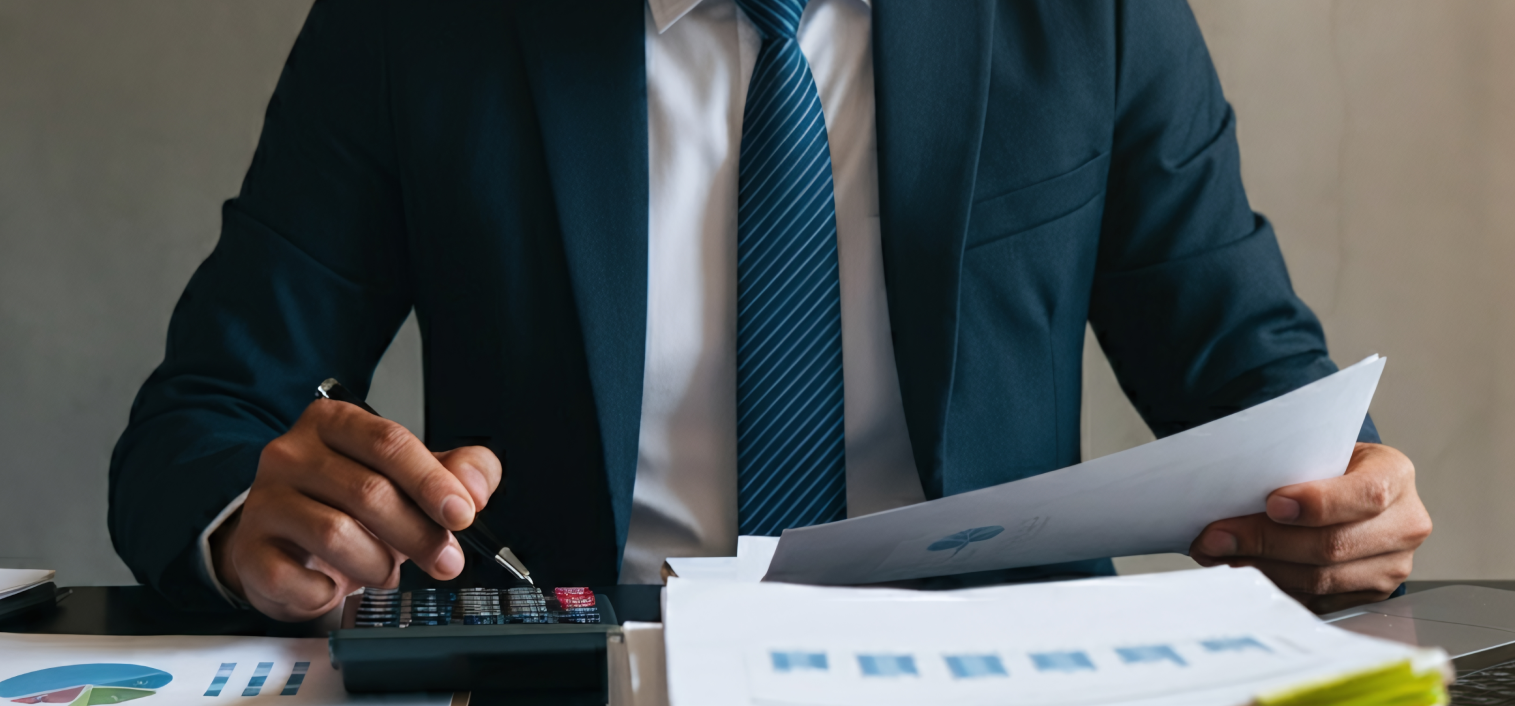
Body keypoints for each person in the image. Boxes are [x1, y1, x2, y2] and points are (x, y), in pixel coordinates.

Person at [109, 0, 1431, 622]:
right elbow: (204, 422)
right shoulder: (415, 28)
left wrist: (1343, 499)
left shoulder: (1094, 16)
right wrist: (259, 524)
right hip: (578, 691)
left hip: (1006, 700)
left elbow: (1254, 380)